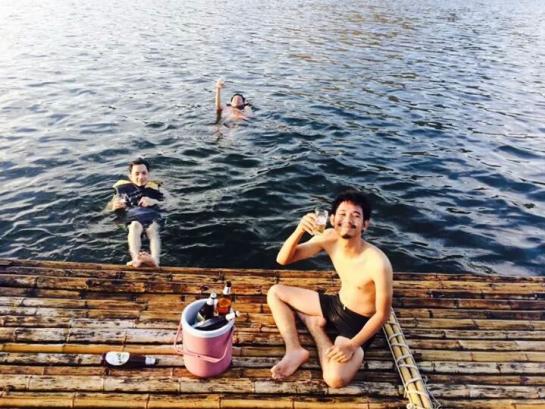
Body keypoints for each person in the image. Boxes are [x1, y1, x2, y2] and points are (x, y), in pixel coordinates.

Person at [267, 190, 393, 388]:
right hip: (336, 304)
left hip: (358, 323)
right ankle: (294, 350)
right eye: (342, 214)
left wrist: (352, 345)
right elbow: (283, 259)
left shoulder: (377, 262)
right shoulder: (329, 237)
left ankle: (315, 326)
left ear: (365, 224)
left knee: (334, 379)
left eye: (356, 215)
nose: (348, 220)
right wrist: (300, 229)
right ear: (332, 219)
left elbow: (382, 314)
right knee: (275, 292)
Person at [109, 158, 164, 268]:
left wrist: (153, 201)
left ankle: (155, 260)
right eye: (137, 174)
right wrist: (114, 206)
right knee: (134, 226)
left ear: (148, 174)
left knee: (152, 229)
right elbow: (108, 208)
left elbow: (172, 202)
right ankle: (135, 259)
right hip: (133, 216)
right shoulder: (121, 191)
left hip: (151, 215)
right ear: (130, 176)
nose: (141, 177)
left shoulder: (157, 189)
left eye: (144, 173)